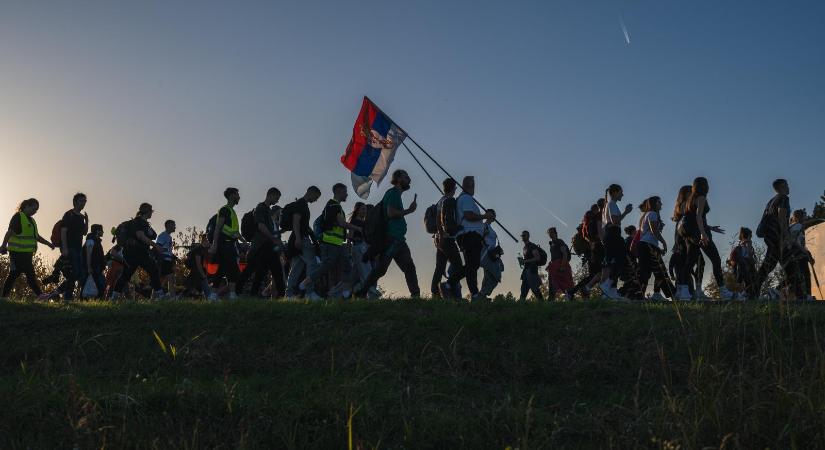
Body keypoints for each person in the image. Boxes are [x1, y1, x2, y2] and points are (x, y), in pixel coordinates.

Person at [354, 169, 420, 298]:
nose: (409, 179)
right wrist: (409, 210)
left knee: (408, 267)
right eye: (406, 177)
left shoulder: (395, 194)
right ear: (399, 179)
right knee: (381, 269)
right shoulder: (393, 193)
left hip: (399, 239)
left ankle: (416, 294)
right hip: (392, 238)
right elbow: (391, 213)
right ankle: (362, 292)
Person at [676, 177, 733, 300]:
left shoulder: (689, 200)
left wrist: (711, 228)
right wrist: (703, 233)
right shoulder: (701, 198)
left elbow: (692, 218)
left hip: (690, 236)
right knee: (716, 259)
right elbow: (698, 217)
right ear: (704, 186)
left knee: (690, 262)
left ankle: (683, 291)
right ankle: (723, 290)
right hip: (699, 235)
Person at [303, 183, 362, 300]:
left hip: (338, 243)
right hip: (330, 243)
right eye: (345, 192)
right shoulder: (333, 205)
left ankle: (342, 290)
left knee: (347, 267)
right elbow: (342, 224)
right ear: (339, 191)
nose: (347, 194)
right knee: (326, 266)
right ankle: (307, 283)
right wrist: (358, 228)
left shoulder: (337, 207)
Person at [1, 198, 55, 299]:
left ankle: (4, 297)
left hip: (27, 253)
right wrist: (3, 245)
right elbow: (10, 232)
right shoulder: (18, 217)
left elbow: (36, 236)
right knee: (30, 272)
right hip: (17, 252)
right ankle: (40, 294)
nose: (35, 212)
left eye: (36, 210)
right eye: (33, 209)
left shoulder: (32, 220)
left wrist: (48, 243)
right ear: (26, 206)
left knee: (14, 274)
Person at [110, 203, 165, 299]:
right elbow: (140, 236)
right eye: (151, 211)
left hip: (134, 253)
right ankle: (160, 294)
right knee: (152, 271)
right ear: (147, 211)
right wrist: (155, 245)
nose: (152, 213)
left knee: (127, 275)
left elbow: (151, 235)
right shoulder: (139, 222)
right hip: (136, 253)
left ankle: (114, 297)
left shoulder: (141, 223)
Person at [237, 187, 285, 298]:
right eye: (276, 198)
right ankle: (283, 295)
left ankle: (248, 293)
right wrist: (273, 239)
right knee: (273, 270)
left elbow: (268, 228)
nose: (277, 201)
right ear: (271, 195)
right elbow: (261, 226)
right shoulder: (261, 208)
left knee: (260, 271)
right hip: (261, 245)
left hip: (266, 245)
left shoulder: (267, 210)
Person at [753, 179, 795, 299]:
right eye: (787, 185)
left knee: (769, 267)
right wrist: (787, 238)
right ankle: (756, 292)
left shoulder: (771, 201)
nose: (789, 187)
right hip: (778, 239)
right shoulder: (783, 198)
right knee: (790, 270)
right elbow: (782, 218)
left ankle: (755, 292)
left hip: (771, 238)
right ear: (781, 187)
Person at [456, 176, 496, 300]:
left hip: (470, 236)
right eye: (473, 185)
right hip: (470, 235)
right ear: (470, 186)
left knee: (472, 266)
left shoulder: (465, 198)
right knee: (471, 266)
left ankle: (472, 292)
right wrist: (485, 216)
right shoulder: (467, 198)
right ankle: (474, 293)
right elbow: (468, 216)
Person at [431, 178, 466, 299]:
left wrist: (439, 236)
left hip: (439, 239)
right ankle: (447, 288)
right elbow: (440, 221)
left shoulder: (441, 200)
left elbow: (437, 219)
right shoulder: (449, 200)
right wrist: (443, 235)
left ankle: (435, 293)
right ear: (454, 188)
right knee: (459, 267)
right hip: (447, 239)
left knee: (440, 267)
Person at [284, 186, 322, 298]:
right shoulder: (301, 204)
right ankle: (310, 292)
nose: (316, 200)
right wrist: (298, 238)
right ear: (311, 192)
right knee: (312, 263)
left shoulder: (302, 204)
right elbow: (296, 221)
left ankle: (289, 294)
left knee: (296, 268)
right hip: (301, 239)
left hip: (299, 238)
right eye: (316, 197)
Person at [635, 197, 674, 300]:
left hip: (645, 245)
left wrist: (658, 248)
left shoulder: (646, 215)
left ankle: (637, 295)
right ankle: (672, 294)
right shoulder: (652, 213)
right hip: (647, 245)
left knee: (645, 272)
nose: (661, 204)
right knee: (660, 270)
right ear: (654, 203)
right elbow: (654, 231)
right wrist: (664, 242)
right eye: (659, 202)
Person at [599, 184, 633, 299]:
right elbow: (615, 221)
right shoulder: (612, 204)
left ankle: (612, 290)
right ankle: (608, 283)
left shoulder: (609, 205)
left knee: (614, 261)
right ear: (614, 193)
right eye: (620, 192)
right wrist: (626, 212)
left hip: (611, 234)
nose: (622, 194)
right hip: (613, 234)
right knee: (621, 259)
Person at [209, 188, 243, 300]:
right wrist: (214, 244)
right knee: (227, 268)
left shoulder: (232, 211)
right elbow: (218, 227)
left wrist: (244, 242)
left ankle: (227, 295)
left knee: (229, 269)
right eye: (237, 194)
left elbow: (235, 232)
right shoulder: (224, 209)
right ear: (231, 195)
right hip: (225, 245)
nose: (239, 196)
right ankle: (216, 295)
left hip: (231, 245)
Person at [671, 185, 704, 297]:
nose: (692, 194)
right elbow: (680, 226)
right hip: (684, 241)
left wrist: (709, 227)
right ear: (684, 194)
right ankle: (683, 290)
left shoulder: (691, 205)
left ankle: (695, 289)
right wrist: (676, 243)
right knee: (685, 265)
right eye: (690, 192)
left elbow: (695, 220)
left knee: (698, 262)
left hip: (689, 239)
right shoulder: (683, 206)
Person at [58, 193, 89, 300]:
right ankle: (65, 296)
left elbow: (84, 233)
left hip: (78, 248)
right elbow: (63, 231)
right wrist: (65, 248)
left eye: (85, 201)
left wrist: (87, 221)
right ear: (75, 202)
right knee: (74, 273)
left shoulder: (81, 217)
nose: (83, 203)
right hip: (69, 248)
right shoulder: (68, 214)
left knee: (78, 274)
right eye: (81, 201)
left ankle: (65, 297)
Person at [349, 202, 375, 296]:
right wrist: (349, 252)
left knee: (353, 276)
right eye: (362, 209)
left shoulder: (364, 223)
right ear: (357, 210)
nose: (365, 211)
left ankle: (338, 293)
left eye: (365, 209)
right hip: (358, 247)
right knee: (366, 271)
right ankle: (372, 293)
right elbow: (350, 236)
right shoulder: (354, 221)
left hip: (364, 248)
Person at [788, 209, 814, 300]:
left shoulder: (794, 226)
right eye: (804, 216)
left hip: (796, 253)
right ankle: (808, 295)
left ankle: (779, 289)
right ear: (800, 217)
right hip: (798, 253)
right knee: (806, 274)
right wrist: (805, 252)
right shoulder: (797, 226)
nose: (805, 218)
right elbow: (795, 242)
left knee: (796, 275)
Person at [727, 227, 757, 300]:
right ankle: (742, 293)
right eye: (750, 236)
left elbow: (751, 258)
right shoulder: (738, 247)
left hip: (748, 269)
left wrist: (749, 246)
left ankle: (748, 293)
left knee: (752, 275)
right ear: (748, 236)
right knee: (744, 266)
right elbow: (732, 261)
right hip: (740, 269)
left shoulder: (747, 247)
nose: (751, 238)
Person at [185, 234, 216, 301]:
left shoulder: (203, 249)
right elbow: (198, 263)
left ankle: (208, 297)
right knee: (203, 282)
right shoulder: (199, 249)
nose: (210, 243)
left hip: (196, 271)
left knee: (191, 287)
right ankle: (210, 298)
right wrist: (203, 275)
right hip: (196, 270)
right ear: (205, 240)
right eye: (209, 241)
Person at [479, 216, 503, 299]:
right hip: (486, 252)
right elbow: (480, 238)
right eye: (492, 215)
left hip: (493, 254)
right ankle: (482, 294)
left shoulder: (492, 229)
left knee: (494, 274)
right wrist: (483, 234)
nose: (494, 217)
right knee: (490, 274)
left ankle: (482, 294)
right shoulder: (483, 225)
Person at [546, 227, 573, 299]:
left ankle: (571, 298)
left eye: (552, 232)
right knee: (552, 283)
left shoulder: (560, 242)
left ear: (555, 233)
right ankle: (551, 300)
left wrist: (563, 266)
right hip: (554, 266)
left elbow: (564, 254)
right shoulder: (551, 244)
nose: (550, 234)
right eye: (549, 233)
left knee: (566, 283)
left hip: (561, 264)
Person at [518, 231, 544, 301]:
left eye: (524, 235)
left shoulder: (532, 246)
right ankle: (520, 305)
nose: (523, 237)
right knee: (523, 289)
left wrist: (525, 261)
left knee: (535, 288)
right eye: (522, 236)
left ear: (528, 236)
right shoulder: (524, 248)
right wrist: (523, 261)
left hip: (532, 270)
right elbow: (527, 259)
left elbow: (537, 257)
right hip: (526, 270)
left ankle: (542, 303)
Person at [82, 224, 106, 298]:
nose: (103, 232)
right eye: (102, 230)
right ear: (97, 231)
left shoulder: (96, 241)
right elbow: (89, 254)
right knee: (100, 285)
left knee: (99, 285)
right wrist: (89, 267)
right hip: (92, 267)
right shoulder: (91, 240)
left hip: (96, 267)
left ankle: (95, 301)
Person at [155, 220, 177, 297]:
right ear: (168, 226)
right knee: (171, 277)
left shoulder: (169, 237)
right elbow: (158, 247)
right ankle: (172, 296)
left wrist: (172, 256)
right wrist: (167, 252)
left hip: (168, 260)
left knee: (162, 279)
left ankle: (154, 297)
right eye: (173, 225)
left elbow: (166, 249)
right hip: (163, 260)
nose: (175, 227)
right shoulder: (162, 235)